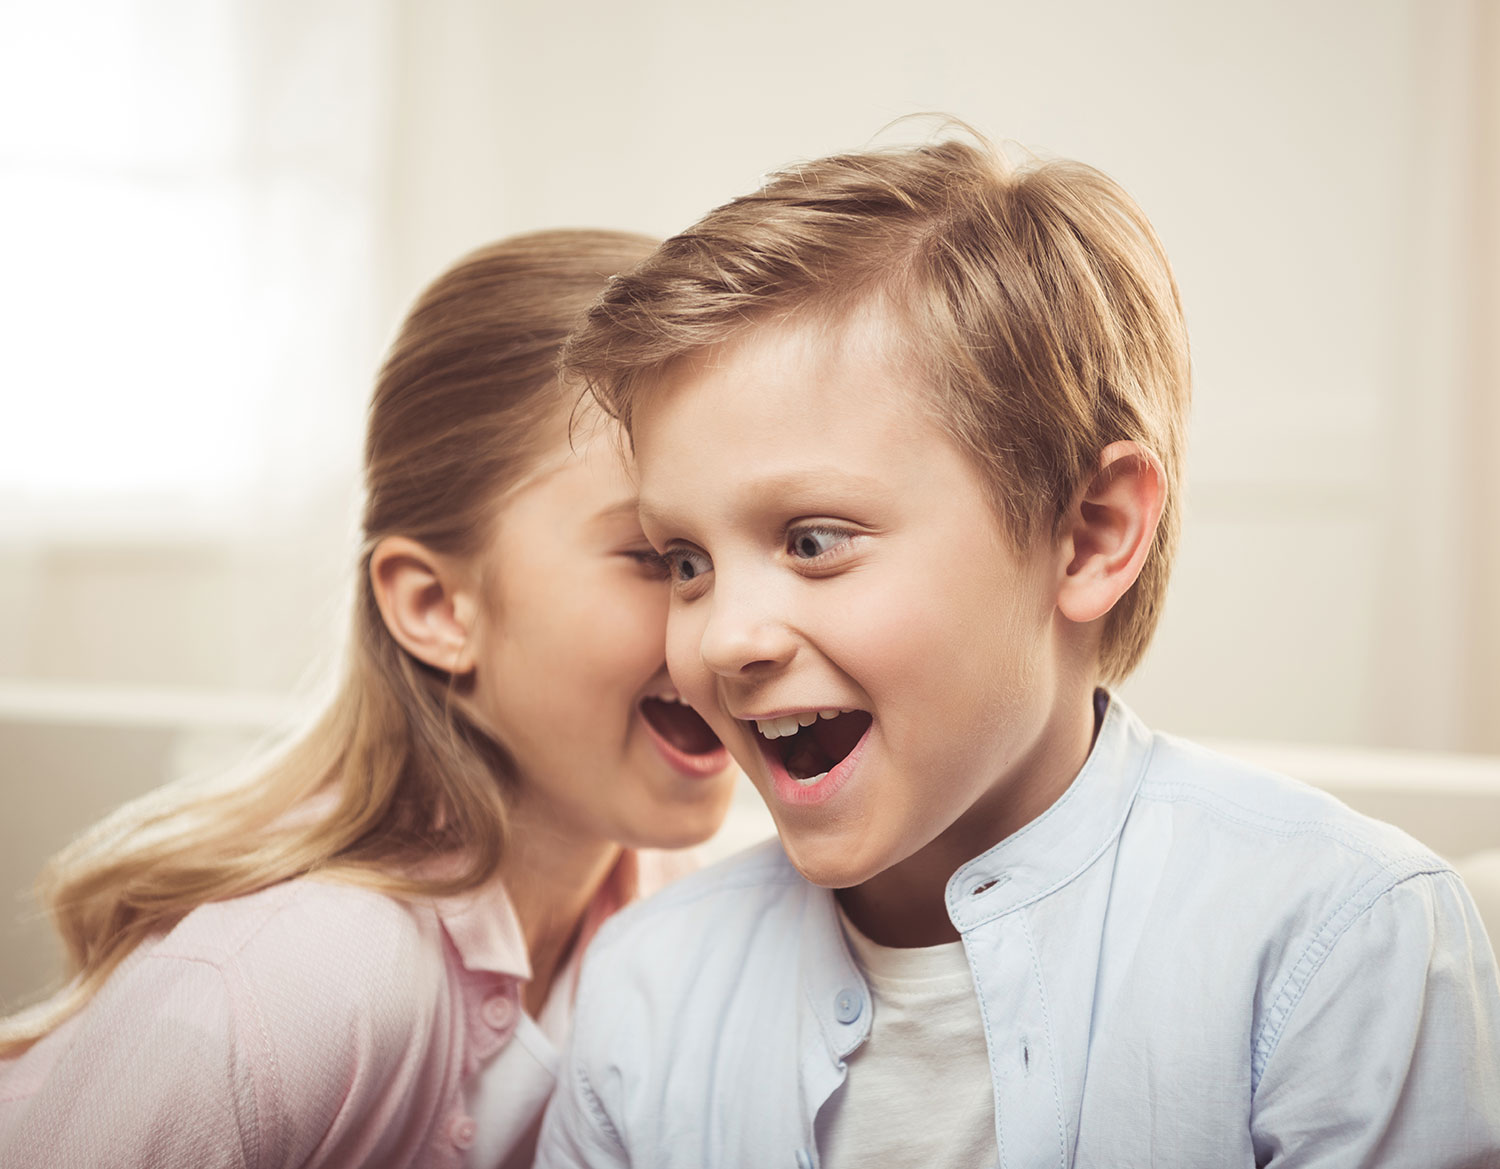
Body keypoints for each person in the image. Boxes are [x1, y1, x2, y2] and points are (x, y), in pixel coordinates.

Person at [535, 138, 1500, 1167]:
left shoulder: (1340, 944)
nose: (725, 638)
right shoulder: (643, 991)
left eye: (814, 541)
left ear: (1087, 535)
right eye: (684, 561)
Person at [0, 230, 738, 1169]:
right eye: (659, 556)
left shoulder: (684, 920)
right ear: (436, 606)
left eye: (739, 548)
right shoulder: (289, 981)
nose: (733, 630)